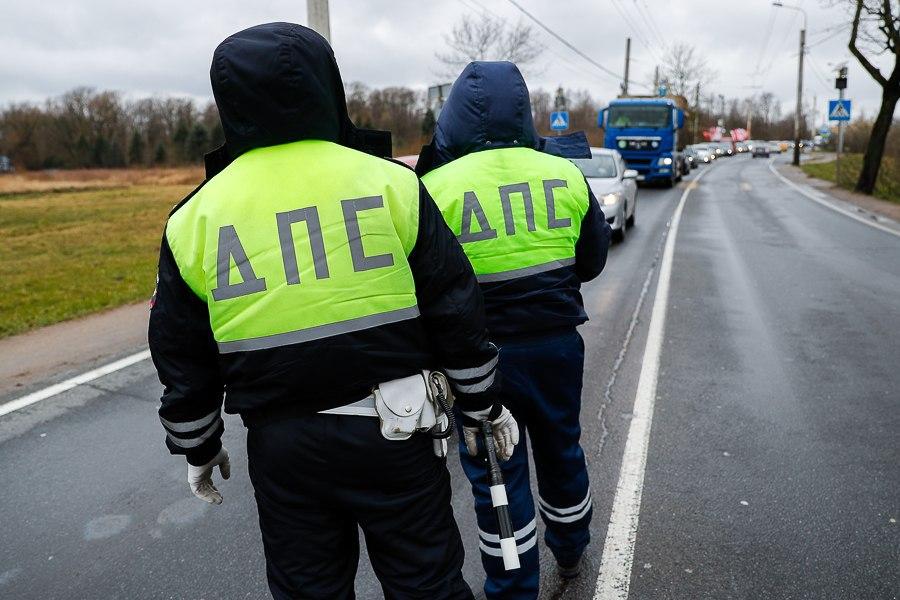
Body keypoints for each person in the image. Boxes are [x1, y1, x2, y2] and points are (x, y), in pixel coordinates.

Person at [148, 24, 519, 600]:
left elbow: (181, 351)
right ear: (328, 87)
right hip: (395, 429)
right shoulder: (391, 184)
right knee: (427, 584)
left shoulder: (194, 217)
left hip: (283, 448)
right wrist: (481, 403)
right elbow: (453, 304)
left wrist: (198, 443)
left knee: (309, 591)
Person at [416, 61, 611, 599]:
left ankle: (513, 586)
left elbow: (424, 284)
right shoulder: (564, 174)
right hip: (555, 345)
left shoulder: (433, 186)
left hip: (478, 359)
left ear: (453, 116)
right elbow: (593, 259)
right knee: (561, 446)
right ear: (524, 111)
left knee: (496, 474)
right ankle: (570, 546)